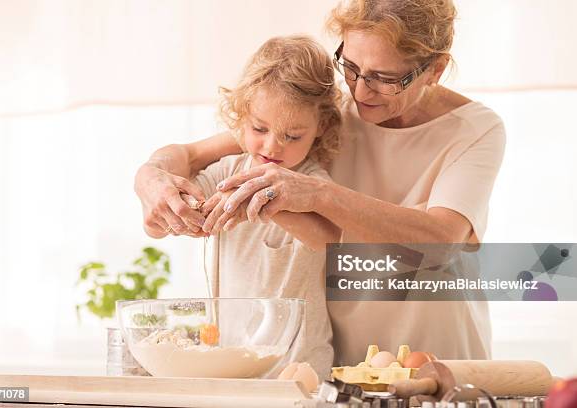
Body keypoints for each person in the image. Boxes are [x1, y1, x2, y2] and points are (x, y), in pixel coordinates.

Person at [135, 0, 505, 366]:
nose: (361, 92)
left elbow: (443, 239)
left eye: (386, 79)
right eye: (352, 67)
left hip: (438, 353)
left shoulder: (474, 130)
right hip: (341, 361)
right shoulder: (324, 116)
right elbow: (191, 154)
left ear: (435, 69)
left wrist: (319, 194)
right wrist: (150, 179)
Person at [181, 35, 342, 377]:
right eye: (259, 128)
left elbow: (329, 237)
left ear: (321, 127)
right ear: (241, 117)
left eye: (292, 136)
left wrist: (264, 203)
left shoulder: (314, 183)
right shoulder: (228, 171)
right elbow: (162, 222)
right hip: (231, 361)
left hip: (300, 368)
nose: (272, 146)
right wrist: (188, 209)